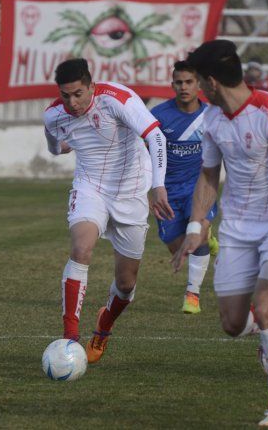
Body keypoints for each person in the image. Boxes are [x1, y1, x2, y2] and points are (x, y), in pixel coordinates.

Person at [173, 40, 268, 426]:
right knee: (233, 324)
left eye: (200, 80)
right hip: (238, 226)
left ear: (212, 81)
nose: (198, 88)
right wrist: (196, 225)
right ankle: (266, 338)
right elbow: (208, 176)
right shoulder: (214, 120)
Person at [44, 58, 173, 364]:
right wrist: (67, 145)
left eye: (78, 94)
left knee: (126, 285)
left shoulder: (117, 98)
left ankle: (104, 325)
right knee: (81, 248)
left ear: (91, 86)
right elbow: (54, 146)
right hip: (90, 188)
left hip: (131, 193)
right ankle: (69, 338)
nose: (72, 103)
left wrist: (159, 186)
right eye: (66, 96)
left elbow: (154, 136)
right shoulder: (52, 115)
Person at [150, 60, 218, 314]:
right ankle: (207, 238)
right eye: (178, 82)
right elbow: (144, 153)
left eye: (189, 82)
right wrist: (152, 188)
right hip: (168, 192)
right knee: (178, 247)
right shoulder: (159, 116)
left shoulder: (211, 115)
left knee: (196, 235)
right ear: (172, 85)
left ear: (198, 84)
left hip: (198, 187)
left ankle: (193, 295)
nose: (183, 87)